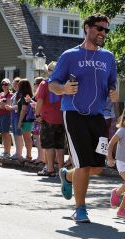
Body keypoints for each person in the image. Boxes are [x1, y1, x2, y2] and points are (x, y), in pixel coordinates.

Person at [49, 13, 118, 223]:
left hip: (98, 116)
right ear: (87, 28)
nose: (103, 33)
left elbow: (112, 83)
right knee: (83, 165)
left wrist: (114, 92)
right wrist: (64, 89)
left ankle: (67, 176)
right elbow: (53, 84)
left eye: (106, 30)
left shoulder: (108, 57)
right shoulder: (70, 55)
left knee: (97, 167)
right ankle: (80, 208)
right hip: (73, 114)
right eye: (99, 28)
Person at [35, 62, 65, 177]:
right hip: (61, 118)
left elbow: (40, 100)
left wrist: (37, 115)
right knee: (59, 145)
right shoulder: (63, 84)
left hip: (47, 118)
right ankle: (62, 170)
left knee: (49, 145)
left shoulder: (44, 83)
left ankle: (50, 169)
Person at [0, 78, 13, 158]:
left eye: (6, 84)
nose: (4, 86)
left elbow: (6, 106)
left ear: (9, 85)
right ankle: (5, 151)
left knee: (6, 133)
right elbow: (0, 106)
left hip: (7, 115)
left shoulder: (10, 94)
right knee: (3, 133)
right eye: (3, 84)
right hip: (1, 115)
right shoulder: (1, 94)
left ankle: (7, 152)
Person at [5, 77, 23, 160]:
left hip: (17, 116)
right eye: (14, 84)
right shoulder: (16, 93)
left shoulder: (20, 93)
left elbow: (20, 106)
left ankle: (19, 153)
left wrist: (11, 107)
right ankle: (17, 152)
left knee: (18, 135)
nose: (15, 85)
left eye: (17, 84)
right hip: (13, 116)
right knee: (15, 135)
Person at [17, 79, 35, 161]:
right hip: (28, 120)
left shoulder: (25, 96)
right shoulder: (27, 95)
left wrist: (20, 122)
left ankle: (29, 156)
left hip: (26, 120)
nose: (17, 86)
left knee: (27, 138)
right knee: (27, 138)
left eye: (19, 85)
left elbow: (23, 110)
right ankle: (28, 155)